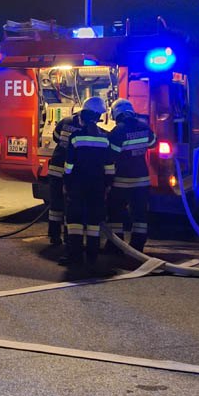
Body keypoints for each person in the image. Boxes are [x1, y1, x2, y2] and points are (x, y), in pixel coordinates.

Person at [58, 96, 115, 277]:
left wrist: (66, 182)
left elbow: (69, 164)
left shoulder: (76, 137)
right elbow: (109, 166)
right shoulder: (105, 138)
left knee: (74, 221)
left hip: (77, 184)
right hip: (97, 185)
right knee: (93, 222)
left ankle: (74, 255)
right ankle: (92, 255)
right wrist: (108, 184)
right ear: (98, 116)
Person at [107, 98, 157, 261]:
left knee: (116, 213)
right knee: (140, 215)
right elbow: (153, 142)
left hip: (121, 180)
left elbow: (111, 156)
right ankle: (137, 246)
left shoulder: (118, 131)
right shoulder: (143, 126)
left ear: (116, 113)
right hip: (142, 179)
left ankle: (116, 245)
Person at [46, 111, 84, 246]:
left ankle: (54, 235)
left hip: (55, 167)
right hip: (70, 173)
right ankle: (69, 237)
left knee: (55, 205)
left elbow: (56, 137)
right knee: (70, 205)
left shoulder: (65, 121)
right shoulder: (85, 128)